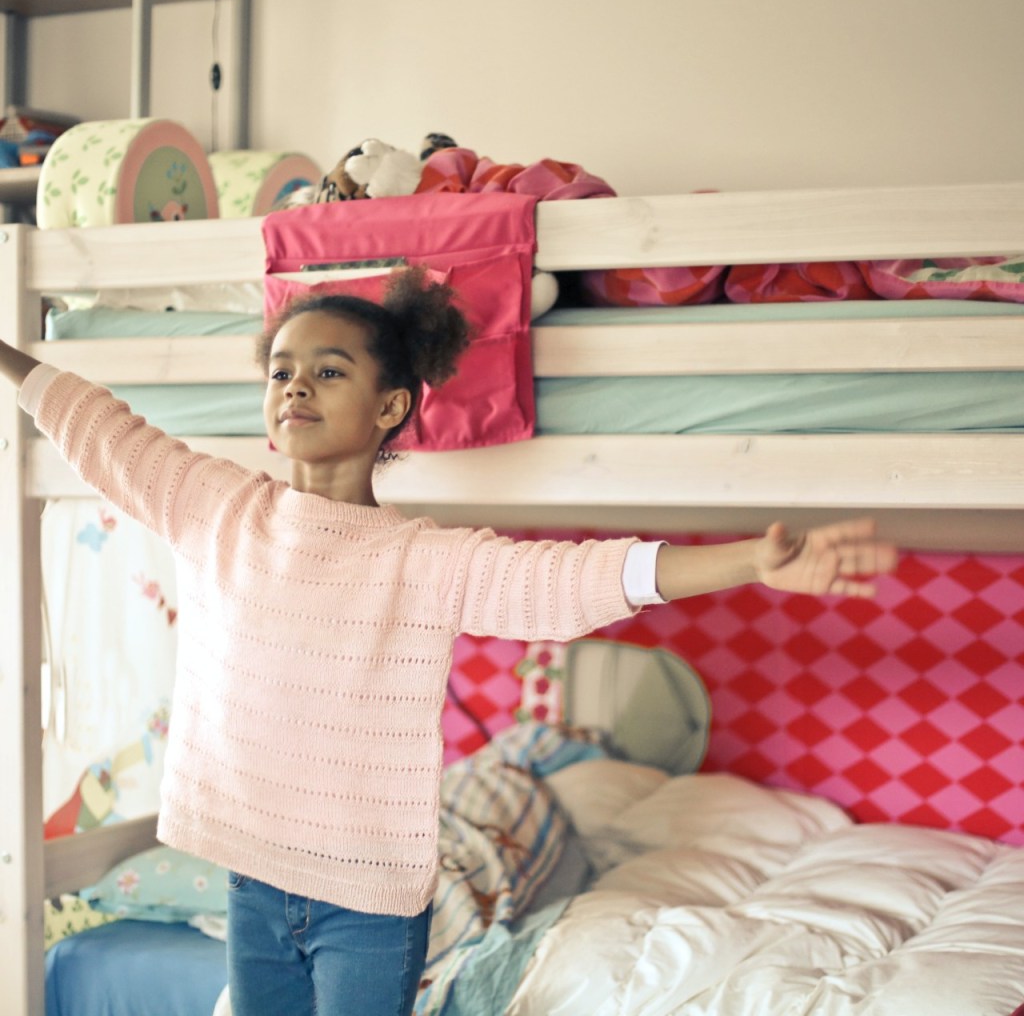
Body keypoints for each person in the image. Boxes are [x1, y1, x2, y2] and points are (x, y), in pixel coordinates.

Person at [0, 267, 897, 1015]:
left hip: (368, 906)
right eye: (279, 371)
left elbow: (571, 583)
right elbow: (99, 427)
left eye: (328, 370)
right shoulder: (217, 510)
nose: (295, 386)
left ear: (392, 406)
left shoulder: (419, 558)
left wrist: (749, 561)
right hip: (252, 880)